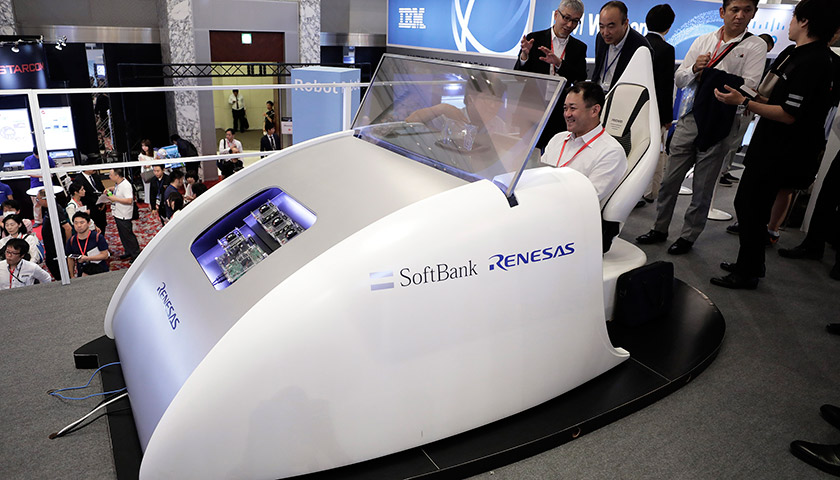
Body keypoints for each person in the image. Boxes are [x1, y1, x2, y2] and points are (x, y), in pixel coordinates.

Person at [711, 0, 840, 289]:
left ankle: (748, 272)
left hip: (783, 150)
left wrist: (745, 102)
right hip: (769, 143)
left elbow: (789, 114)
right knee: (749, 205)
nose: (789, 23)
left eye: (794, 17)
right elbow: (776, 99)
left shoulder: (815, 61)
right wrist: (750, 97)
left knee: (752, 206)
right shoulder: (793, 53)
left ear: (805, 21)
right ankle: (750, 264)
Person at [636, 0, 766, 255]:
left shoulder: (755, 45)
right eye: (734, 10)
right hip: (691, 116)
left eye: (747, 10)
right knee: (669, 180)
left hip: (721, 122)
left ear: (754, 13)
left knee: (703, 187)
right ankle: (659, 228)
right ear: (722, 12)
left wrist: (713, 76)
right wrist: (696, 68)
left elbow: (750, 86)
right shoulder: (704, 40)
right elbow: (680, 78)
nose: (740, 16)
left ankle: (688, 236)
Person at [541, 81, 627, 251]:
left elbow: (586, 199)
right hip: (543, 210)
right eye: (565, 108)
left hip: (574, 227)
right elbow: (538, 175)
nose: (567, 114)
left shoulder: (611, 152)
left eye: (573, 108)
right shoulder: (558, 139)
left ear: (595, 110)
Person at [515, 0, 588, 149]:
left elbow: (580, 77)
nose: (569, 25)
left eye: (575, 21)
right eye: (566, 18)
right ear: (556, 15)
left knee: (553, 153)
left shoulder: (579, 47)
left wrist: (559, 64)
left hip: (559, 112)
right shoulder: (535, 39)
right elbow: (518, 76)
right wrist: (524, 56)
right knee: (523, 153)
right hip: (531, 108)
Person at [638, 4, 676, 207]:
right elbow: (665, 86)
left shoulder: (637, 43)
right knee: (652, 152)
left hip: (636, 108)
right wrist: (667, 117)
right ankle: (647, 191)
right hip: (655, 111)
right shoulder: (667, 49)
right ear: (668, 27)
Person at [591, 1, 651, 92]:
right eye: (601, 26)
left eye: (611, 27)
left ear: (625, 23)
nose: (605, 33)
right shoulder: (600, 37)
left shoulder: (640, 47)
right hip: (597, 95)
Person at [106, 168, 141, 262]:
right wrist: (112, 189)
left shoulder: (126, 185)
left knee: (128, 236)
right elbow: (120, 191)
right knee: (123, 235)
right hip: (118, 213)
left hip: (124, 214)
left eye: (111, 175)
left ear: (117, 176)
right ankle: (128, 251)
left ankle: (136, 255)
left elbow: (129, 200)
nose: (109, 177)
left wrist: (115, 199)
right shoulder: (119, 183)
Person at [35, 187, 71, 278]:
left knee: (57, 268)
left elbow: (68, 228)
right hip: (51, 246)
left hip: (57, 247)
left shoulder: (55, 209)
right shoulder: (49, 208)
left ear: (44, 198)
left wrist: (67, 245)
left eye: (38, 199)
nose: (37, 201)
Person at [65, 211, 109, 277]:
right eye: (76, 223)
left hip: (100, 271)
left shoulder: (97, 237)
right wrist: (72, 275)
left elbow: (105, 255)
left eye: (82, 222)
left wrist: (87, 258)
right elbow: (70, 258)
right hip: (82, 272)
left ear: (89, 223)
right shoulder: (71, 241)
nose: (79, 225)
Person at [24, 148, 56, 226]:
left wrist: (49, 174)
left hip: (47, 184)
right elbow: (28, 173)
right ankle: (38, 221)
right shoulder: (28, 160)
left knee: (51, 202)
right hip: (35, 184)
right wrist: (41, 175)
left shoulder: (48, 158)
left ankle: (53, 218)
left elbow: (53, 168)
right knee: (36, 203)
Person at [72, 169, 107, 234]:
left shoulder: (95, 176)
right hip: (90, 209)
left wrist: (103, 202)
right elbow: (82, 197)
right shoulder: (78, 179)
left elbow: (102, 189)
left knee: (102, 228)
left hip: (101, 208)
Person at [138, 138, 156, 203]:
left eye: (145, 146)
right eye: (142, 146)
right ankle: (148, 201)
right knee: (147, 188)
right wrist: (153, 162)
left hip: (154, 171)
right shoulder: (141, 155)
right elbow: (145, 165)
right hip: (146, 173)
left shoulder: (154, 153)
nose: (144, 148)